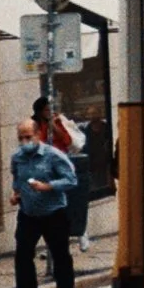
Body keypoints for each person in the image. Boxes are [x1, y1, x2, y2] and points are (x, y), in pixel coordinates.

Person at [7, 119, 79, 288]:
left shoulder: (53, 156)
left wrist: (48, 186)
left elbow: (71, 180)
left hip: (53, 212)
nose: (24, 141)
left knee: (60, 256)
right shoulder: (17, 158)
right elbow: (17, 180)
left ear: (38, 135)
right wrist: (16, 195)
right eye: (21, 138)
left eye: (28, 137)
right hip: (28, 214)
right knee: (22, 256)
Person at [35, 99, 92, 257]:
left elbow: (67, 141)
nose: (48, 113)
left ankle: (81, 232)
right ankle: (52, 248)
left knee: (72, 203)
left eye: (49, 110)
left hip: (62, 165)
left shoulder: (57, 122)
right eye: (45, 110)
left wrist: (54, 126)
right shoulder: (35, 125)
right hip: (45, 169)